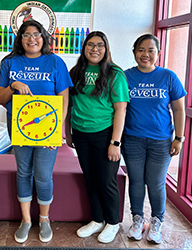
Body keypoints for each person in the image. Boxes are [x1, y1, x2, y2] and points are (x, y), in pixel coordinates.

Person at [0, 20, 73, 243]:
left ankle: (44, 219)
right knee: (23, 172)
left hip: (48, 128)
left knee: (43, 174)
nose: (32, 39)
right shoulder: (10, 62)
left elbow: (64, 99)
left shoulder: (55, 62)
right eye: (27, 34)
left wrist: (59, 130)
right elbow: (0, 98)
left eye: (37, 34)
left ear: (45, 38)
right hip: (19, 127)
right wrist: (13, 86)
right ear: (20, 39)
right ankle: (26, 220)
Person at [65, 31, 129, 244]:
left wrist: (115, 142)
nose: (95, 49)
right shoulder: (75, 72)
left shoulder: (115, 73)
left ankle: (113, 222)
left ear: (106, 48)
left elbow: (121, 110)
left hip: (105, 134)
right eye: (90, 45)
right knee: (90, 178)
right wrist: (68, 133)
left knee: (106, 180)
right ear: (84, 48)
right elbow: (69, 105)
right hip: (81, 134)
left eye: (100, 45)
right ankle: (97, 219)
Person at [122, 34, 187, 244]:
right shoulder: (125, 77)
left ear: (158, 53)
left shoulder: (168, 76)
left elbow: (179, 109)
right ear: (134, 52)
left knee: (156, 182)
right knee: (137, 182)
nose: (145, 54)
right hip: (132, 139)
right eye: (141, 50)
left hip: (161, 141)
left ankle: (157, 221)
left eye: (151, 50)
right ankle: (137, 220)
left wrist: (179, 137)